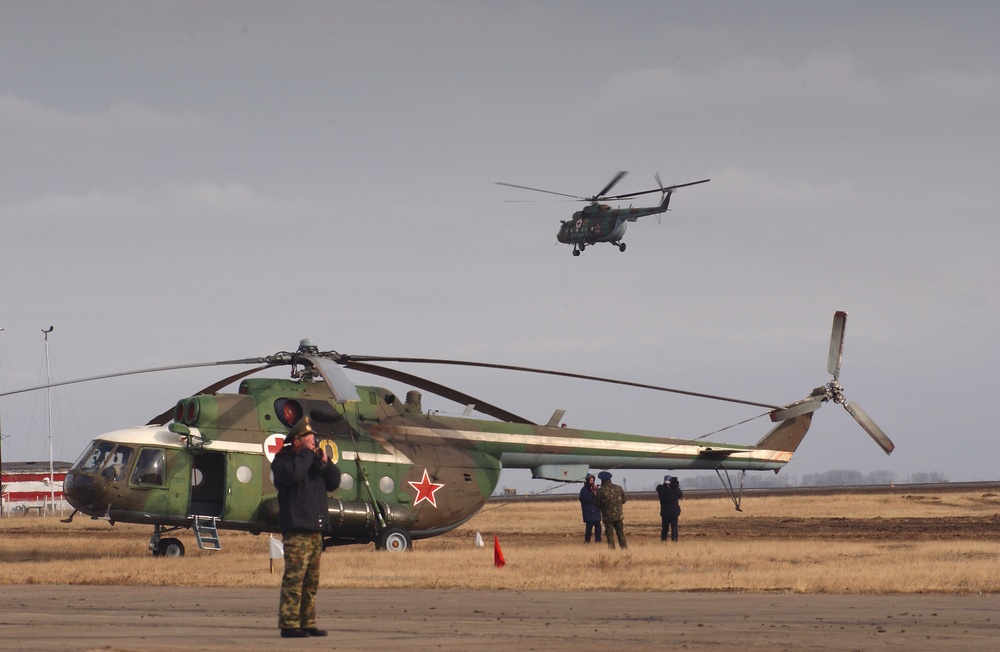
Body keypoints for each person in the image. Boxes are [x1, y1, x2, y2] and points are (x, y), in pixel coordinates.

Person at [271, 416, 341, 638]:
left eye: (314, 439)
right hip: (297, 528)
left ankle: (308, 622)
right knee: (295, 577)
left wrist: (325, 463)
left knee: (311, 580)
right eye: (309, 439)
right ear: (297, 441)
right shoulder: (284, 461)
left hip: (315, 528)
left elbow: (334, 481)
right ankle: (289, 624)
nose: (313, 443)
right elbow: (293, 474)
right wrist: (308, 455)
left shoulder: (311, 462)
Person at [594, 470, 627, 549]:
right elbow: (624, 500)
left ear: (601, 480)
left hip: (608, 517)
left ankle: (612, 551)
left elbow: (597, 504)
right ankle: (625, 549)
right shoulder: (618, 488)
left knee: (610, 535)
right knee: (621, 533)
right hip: (618, 516)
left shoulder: (601, 490)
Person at [656, 474, 683, 542]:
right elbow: (680, 494)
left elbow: (658, 488)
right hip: (673, 512)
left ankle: (664, 540)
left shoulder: (661, 489)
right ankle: (674, 540)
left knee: (664, 528)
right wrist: (675, 484)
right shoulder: (674, 490)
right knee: (674, 527)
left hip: (664, 512)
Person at [579, 473, 602, 543]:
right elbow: (586, 500)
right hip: (588, 511)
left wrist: (596, 491)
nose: (591, 482)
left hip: (596, 511)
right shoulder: (584, 490)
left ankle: (598, 540)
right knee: (589, 528)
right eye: (590, 480)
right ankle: (587, 540)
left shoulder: (594, 489)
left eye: (592, 480)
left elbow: (599, 499)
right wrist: (592, 492)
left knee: (598, 527)